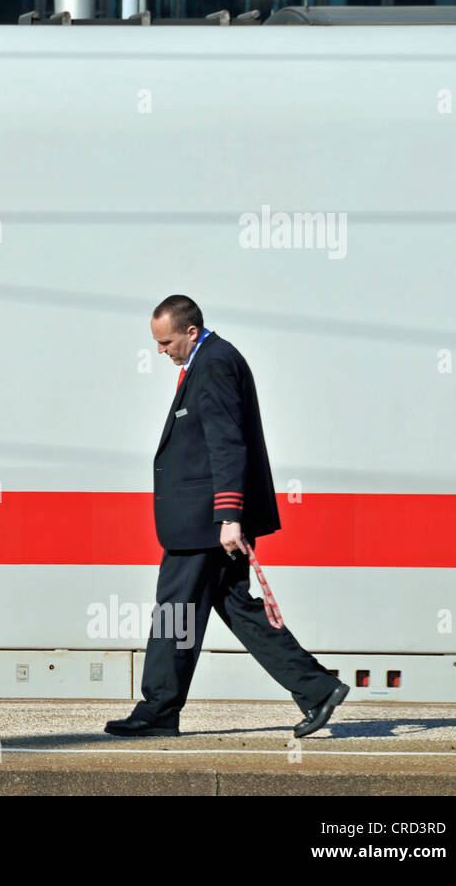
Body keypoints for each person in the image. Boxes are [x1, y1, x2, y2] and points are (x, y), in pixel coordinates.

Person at [104, 295, 349, 739]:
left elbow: (226, 443)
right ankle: (316, 688)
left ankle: (159, 708)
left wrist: (229, 515)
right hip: (209, 521)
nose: (161, 351)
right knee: (238, 608)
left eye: (166, 341)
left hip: (205, 523)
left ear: (191, 331)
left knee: (174, 612)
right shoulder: (212, 359)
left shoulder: (214, 363)